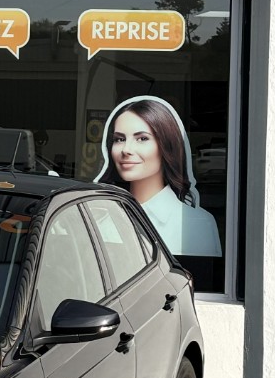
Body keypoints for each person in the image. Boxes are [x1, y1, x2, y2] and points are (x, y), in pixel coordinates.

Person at [93, 96, 222, 258]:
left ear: (166, 146)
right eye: (119, 139)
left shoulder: (196, 223)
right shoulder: (98, 217)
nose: (126, 149)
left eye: (142, 138)